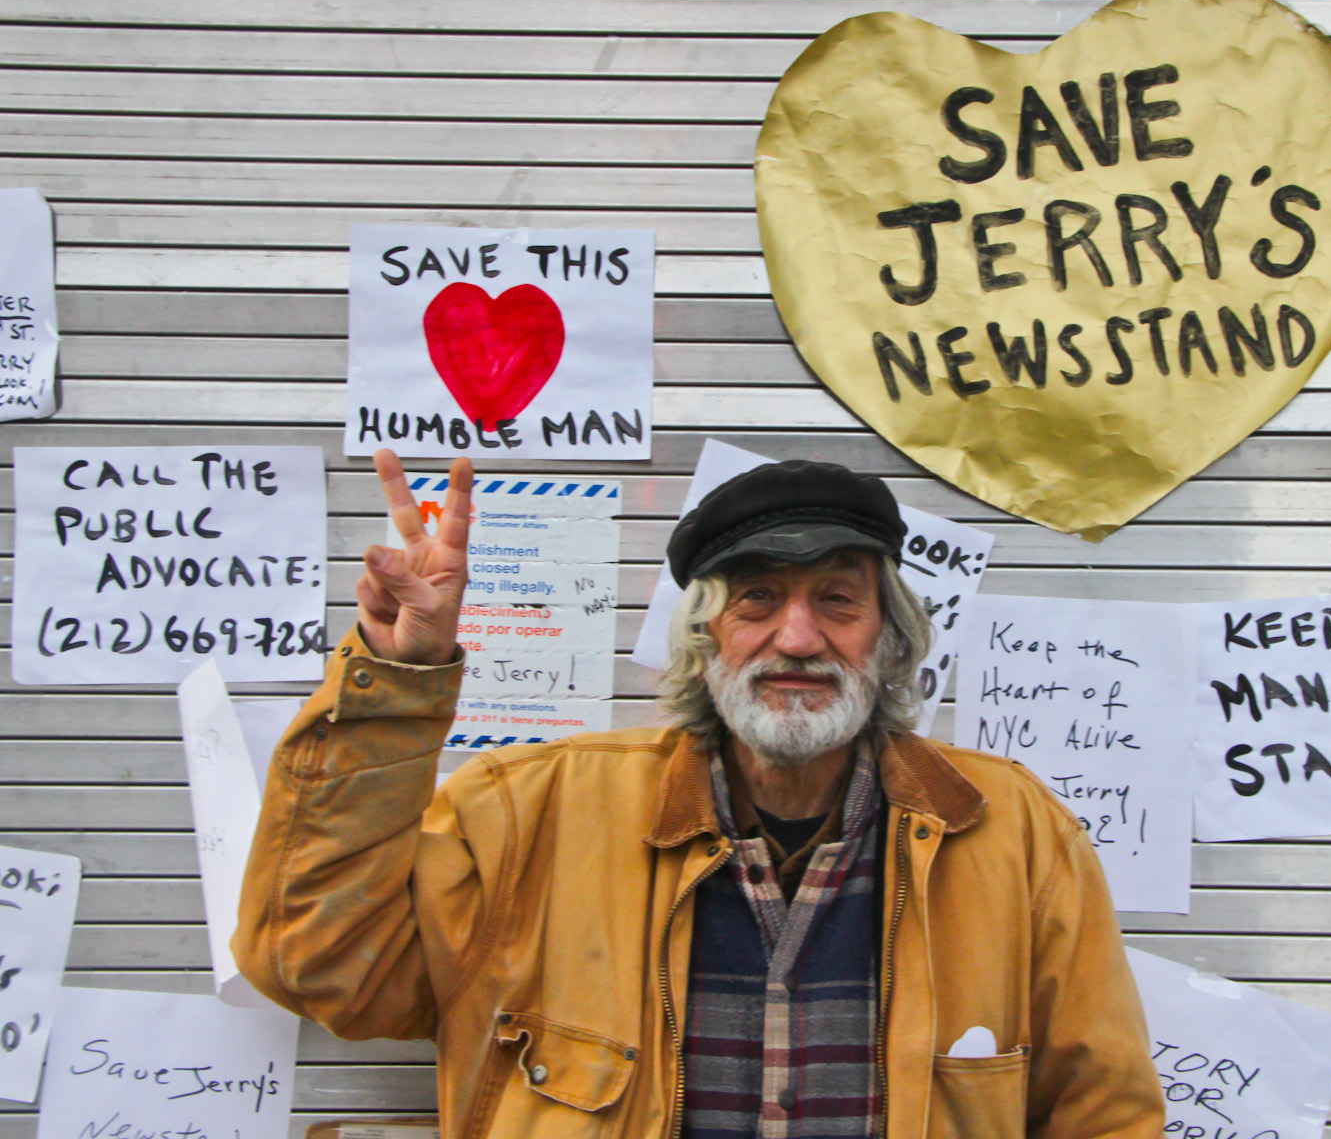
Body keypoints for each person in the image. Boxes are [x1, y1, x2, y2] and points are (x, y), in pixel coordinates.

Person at [235, 450, 1163, 1139]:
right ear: (704, 637)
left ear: (889, 640)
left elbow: (1105, 1111)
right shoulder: (530, 811)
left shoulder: (1009, 831)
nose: (797, 637)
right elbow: (322, 969)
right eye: (756, 600)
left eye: (838, 601)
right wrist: (400, 683)